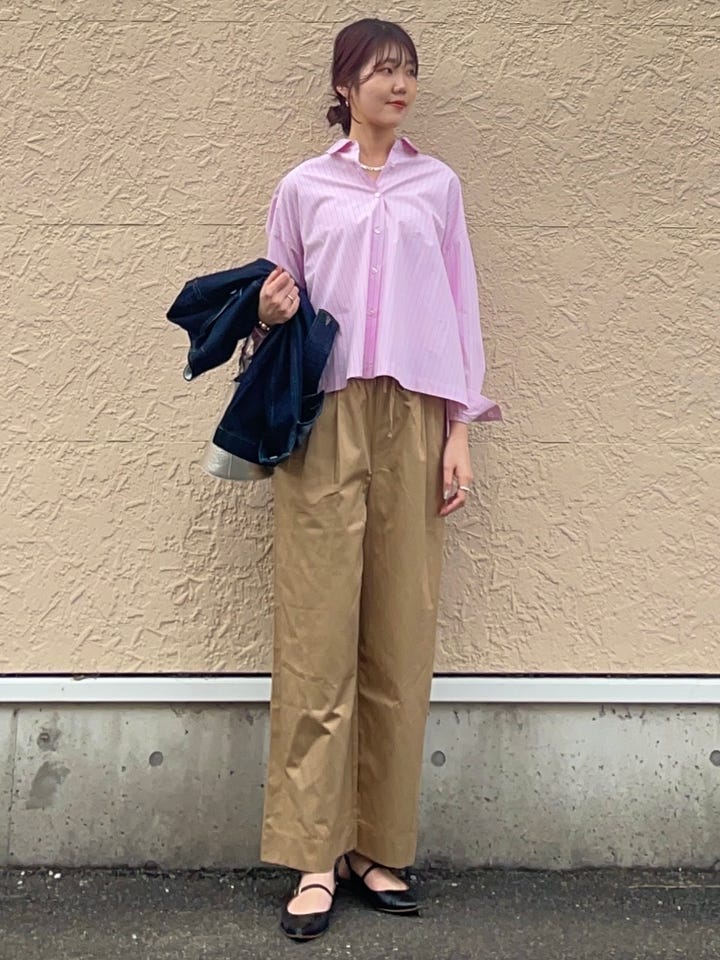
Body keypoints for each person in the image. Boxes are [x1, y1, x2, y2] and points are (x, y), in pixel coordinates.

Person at [254, 17, 501, 942]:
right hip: (323, 413)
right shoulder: (302, 188)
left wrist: (459, 430)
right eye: (381, 70)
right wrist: (270, 308)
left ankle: (378, 846)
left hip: (415, 414)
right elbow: (273, 310)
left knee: (400, 631)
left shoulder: (439, 187)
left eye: (408, 71)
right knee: (316, 634)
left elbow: (461, 307)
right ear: (345, 85)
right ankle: (315, 855)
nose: (399, 84)